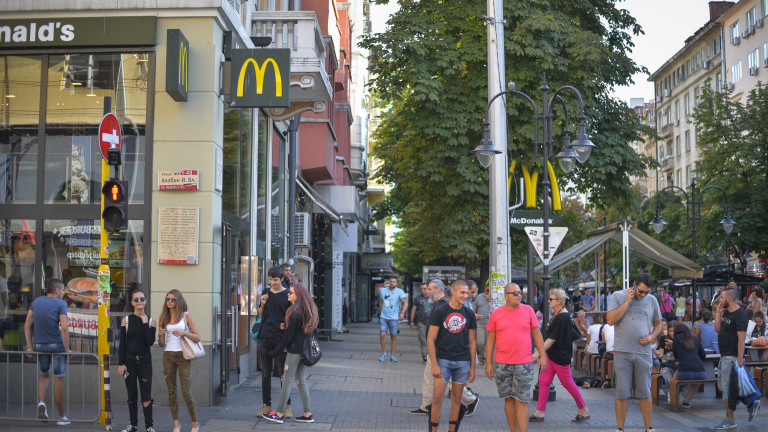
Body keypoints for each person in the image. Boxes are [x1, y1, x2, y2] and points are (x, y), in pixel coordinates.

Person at [410, 280, 480, 417]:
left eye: (430, 289)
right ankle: (426, 405)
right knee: (430, 378)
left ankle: (470, 399)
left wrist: (472, 367)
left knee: (444, 380)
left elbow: (470, 340)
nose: (427, 292)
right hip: (438, 351)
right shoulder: (439, 304)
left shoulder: (443, 305)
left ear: (437, 290)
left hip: (441, 352)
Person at [485, 283, 546, 432]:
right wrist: (488, 363)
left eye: (520, 293)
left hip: (524, 363)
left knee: (522, 400)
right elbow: (490, 340)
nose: (519, 295)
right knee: (509, 399)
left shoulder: (528, 310)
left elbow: (537, 334)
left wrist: (542, 356)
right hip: (501, 363)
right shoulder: (496, 314)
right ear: (506, 296)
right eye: (515, 293)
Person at [606, 273, 662, 432]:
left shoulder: (652, 300)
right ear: (634, 285)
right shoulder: (618, 296)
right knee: (622, 392)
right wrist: (628, 302)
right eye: (641, 291)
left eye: (647, 292)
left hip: (643, 352)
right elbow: (610, 320)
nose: (643, 295)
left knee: (645, 391)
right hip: (622, 350)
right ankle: (620, 428)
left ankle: (648, 428)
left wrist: (652, 336)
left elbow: (659, 324)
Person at [529, 288, 590, 423]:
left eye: (551, 299)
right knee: (544, 380)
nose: (548, 301)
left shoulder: (562, 317)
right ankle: (540, 412)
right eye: (549, 298)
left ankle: (583, 408)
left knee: (567, 382)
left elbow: (551, 339)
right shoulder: (560, 314)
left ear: (560, 301)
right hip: (554, 355)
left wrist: (537, 353)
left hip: (560, 356)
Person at [262, 284, 319, 423]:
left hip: (294, 351)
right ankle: (307, 413)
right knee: (300, 381)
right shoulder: (307, 310)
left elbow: (288, 336)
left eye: (291, 293)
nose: (288, 294)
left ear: (297, 295)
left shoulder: (294, 311)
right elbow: (299, 331)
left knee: (286, 380)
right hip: (303, 351)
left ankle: (279, 413)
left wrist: (276, 350)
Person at [426, 280, 477, 432]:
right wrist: (434, 364)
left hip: (462, 361)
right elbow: (430, 338)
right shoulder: (440, 311)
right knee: (437, 399)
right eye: (462, 292)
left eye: (467, 293)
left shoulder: (469, 314)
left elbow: (472, 342)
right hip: (443, 360)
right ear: (453, 292)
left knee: (456, 399)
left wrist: (472, 367)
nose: (465, 296)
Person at [24, 279, 71, 425]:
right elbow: (64, 328)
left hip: (40, 345)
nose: (64, 293)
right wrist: (67, 348)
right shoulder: (61, 304)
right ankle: (62, 417)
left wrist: (30, 347)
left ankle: (41, 403)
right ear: (57, 291)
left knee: (44, 375)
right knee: (58, 380)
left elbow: (27, 325)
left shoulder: (36, 302)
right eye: (63, 290)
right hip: (56, 345)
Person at [714, 284, 758, 429]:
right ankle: (752, 403)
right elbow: (718, 329)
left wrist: (739, 360)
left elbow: (741, 339)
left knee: (727, 390)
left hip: (732, 357)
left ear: (730, 299)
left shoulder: (740, 315)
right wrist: (718, 313)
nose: (720, 299)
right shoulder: (726, 312)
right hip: (724, 355)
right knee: (726, 387)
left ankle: (730, 419)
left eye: (722, 297)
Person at [158, 290, 201, 432]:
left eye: (173, 299)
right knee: (172, 392)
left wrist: (183, 332)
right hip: (168, 355)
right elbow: (162, 344)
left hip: (183, 355)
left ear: (178, 301)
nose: (169, 301)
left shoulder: (185, 315)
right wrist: (160, 335)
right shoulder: (163, 317)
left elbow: (197, 337)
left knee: (186, 392)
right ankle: (176, 424)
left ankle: (195, 424)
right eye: (167, 299)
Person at [118, 287, 157, 432]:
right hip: (129, 362)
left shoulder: (152, 321)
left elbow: (150, 342)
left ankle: (149, 426)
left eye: (141, 299)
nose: (139, 301)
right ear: (132, 303)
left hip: (145, 362)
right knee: (132, 393)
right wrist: (121, 363)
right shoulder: (126, 320)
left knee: (146, 395)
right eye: (136, 299)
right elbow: (122, 344)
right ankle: (133, 425)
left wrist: (145, 323)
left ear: (145, 301)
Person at [256, 266, 293, 417]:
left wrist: (287, 340)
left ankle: (287, 406)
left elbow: (290, 318)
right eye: (270, 280)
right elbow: (260, 313)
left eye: (275, 280)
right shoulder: (266, 293)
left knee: (282, 373)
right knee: (266, 372)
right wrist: (262, 303)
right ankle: (266, 405)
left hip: (280, 337)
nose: (273, 283)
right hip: (266, 335)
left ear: (282, 279)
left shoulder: (287, 295)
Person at [671, 323, 706, 408]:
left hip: (684, 372)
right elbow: (703, 354)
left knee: (673, 380)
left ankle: (674, 399)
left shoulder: (676, 339)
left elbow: (675, 355)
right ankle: (686, 402)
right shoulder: (694, 338)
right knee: (696, 382)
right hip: (700, 372)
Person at [378, 276, 408, 362]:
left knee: (393, 336)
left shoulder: (399, 292)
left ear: (396, 283)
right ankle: (384, 353)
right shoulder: (383, 291)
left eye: (394, 282)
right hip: (384, 317)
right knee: (382, 334)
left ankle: (392, 355)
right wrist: (381, 313)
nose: (392, 283)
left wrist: (402, 313)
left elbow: (405, 302)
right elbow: (381, 302)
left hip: (394, 318)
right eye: (391, 281)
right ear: (389, 282)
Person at [410, 283, 433, 363]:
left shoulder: (433, 298)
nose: (423, 290)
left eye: (424, 288)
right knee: (423, 340)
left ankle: (432, 356)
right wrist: (412, 321)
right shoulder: (417, 298)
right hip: (421, 322)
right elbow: (413, 309)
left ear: (428, 288)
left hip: (433, 323)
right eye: (421, 289)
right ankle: (425, 357)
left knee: (433, 340)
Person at [474, 284, 491, 366]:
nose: (488, 292)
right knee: (480, 342)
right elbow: (474, 308)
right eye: (487, 290)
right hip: (480, 323)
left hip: (490, 323)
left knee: (489, 343)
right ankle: (483, 357)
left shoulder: (494, 297)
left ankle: (488, 360)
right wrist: (474, 315)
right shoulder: (479, 297)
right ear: (485, 288)